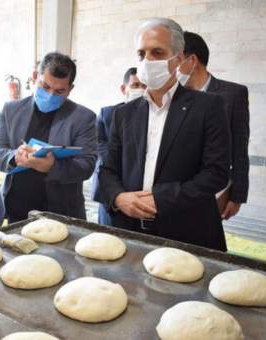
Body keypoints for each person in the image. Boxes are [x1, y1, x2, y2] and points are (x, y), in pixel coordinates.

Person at [99, 17, 231, 251]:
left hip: (186, 231)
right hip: (129, 230)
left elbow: (216, 173)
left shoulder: (208, 107)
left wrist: (162, 198)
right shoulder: (124, 114)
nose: (147, 60)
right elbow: (108, 170)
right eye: (141, 54)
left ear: (178, 59)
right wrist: (119, 197)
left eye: (157, 52)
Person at [0, 52, 97, 227]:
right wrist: (14, 156)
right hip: (16, 210)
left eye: (59, 91)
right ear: (35, 77)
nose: (51, 95)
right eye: (45, 86)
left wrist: (52, 167)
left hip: (61, 213)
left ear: (70, 89)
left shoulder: (83, 118)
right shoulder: (11, 110)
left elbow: (87, 166)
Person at [178, 31, 249, 220]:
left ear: (191, 60)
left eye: (175, 58)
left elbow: (240, 148)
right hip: (178, 190)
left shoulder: (233, 94)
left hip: (216, 189)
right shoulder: (174, 96)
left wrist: (238, 196)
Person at [92, 67, 146, 225]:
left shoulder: (155, 117)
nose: (141, 90)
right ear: (124, 89)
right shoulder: (108, 114)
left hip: (143, 191)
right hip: (112, 187)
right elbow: (100, 147)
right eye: (136, 85)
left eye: (144, 86)